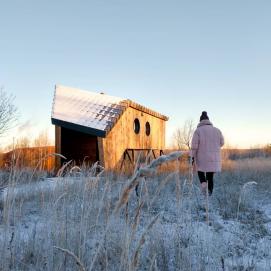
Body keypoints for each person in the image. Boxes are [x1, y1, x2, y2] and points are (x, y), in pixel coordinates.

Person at [190, 111, 224, 196]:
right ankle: (210, 194)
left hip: (202, 158)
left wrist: (191, 157)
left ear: (200, 121)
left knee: (200, 171)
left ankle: (204, 186)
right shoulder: (217, 130)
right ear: (208, 120)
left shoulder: (198, 131)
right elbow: (222, 143)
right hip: (213, 158)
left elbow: (194, 146)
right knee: (210, 177)